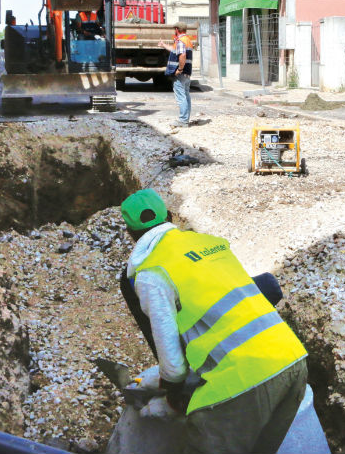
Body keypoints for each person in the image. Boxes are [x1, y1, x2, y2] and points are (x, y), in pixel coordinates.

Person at [118, 189, 308, 454]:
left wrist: (171, 402)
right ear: (170, 216)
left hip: (243, 380)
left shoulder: (151, 271)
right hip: (292, 362)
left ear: (131, 233)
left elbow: (172, 366)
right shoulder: (210, 244)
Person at [159, 23, 193, 126]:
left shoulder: (180, 41)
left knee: (181, 96)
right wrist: (164, 45)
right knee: (186, 95)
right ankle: (185, 119)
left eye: (175, 29)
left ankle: (183, 121)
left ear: (177, 29)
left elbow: (182, 55)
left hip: (181, 74)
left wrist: (179, 69)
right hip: (187, 73)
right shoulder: (187, 40)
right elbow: (176, 51)